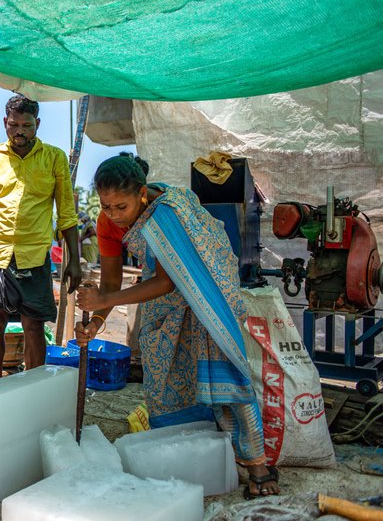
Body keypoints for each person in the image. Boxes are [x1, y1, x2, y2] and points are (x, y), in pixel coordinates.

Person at [75, 154, 279, 499]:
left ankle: (256, 464)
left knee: (224, 374)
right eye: (105, 206)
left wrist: (102, 302)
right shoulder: (108, 222)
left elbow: (168, 282)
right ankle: (189, 459)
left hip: (207, 293)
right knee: (165, 376)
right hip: (163, 303)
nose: (113, 215)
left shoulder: (171, 210)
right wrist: (95, 322)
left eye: (120, 206)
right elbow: (110, 285)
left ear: (142, 193)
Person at [0, 95, 81, 380]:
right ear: (5, 123)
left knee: (34, 326)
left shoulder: (54, 157)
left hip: (34, 256)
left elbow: (67, 214)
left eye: (27, 125)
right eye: (14, 125)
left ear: (37, 124)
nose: (20, 131)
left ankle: (32, 390)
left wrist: (74, 261)